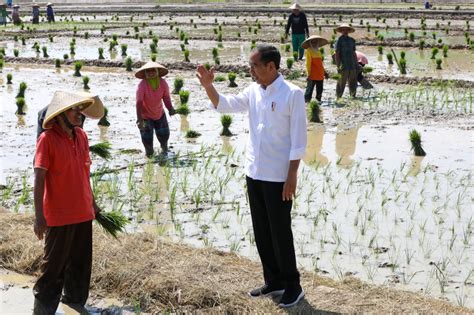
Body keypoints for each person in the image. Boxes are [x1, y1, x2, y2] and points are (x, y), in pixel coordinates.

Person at [196, 44, 307, 308]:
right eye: (251, 65)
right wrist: (208, 86)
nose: (251, 70)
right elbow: (225, 105)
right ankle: (274, 280)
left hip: (278, 175)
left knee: (280, 231)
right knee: (262, 230)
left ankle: (293, 285)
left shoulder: (292, 94)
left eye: (255, 65)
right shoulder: (253, 92)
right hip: (254, 172)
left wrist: (292, 175)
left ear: (271, 66)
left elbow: (299, 139)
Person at [33, 91, 104, 314]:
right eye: (73, 110)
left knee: (81, 264)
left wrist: (92, 202)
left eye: (80, 109)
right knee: (53, 268)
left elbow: (84, 172)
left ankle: (74, 303)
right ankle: (42, 310)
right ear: (60, 114)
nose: (79, 114)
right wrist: (39, 216)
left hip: (83, 212)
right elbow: (39, 178)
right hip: (58, 215)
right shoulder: (47, 139)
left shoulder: (82, 136)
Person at [135, 61, 176, 157]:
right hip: (145, 116)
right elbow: (139, 102)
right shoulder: (142, 85)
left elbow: (166, 97)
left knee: (164, 136)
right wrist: (139, 119)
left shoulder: (163, 83)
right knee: (147, 139)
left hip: (159, 114)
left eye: (153, 70)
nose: (151, 72)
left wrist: (170, 108)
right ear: (145, 73)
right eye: (148, 71)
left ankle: (164, 152)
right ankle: (149, 156)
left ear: (157, 71)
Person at [301, 35, 328, 103]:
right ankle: (306, 102)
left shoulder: (318, 51)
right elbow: (308, 63)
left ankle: (318, 102)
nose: (314, 43)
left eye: (316, 41)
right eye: (312, 41)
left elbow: (320, 64)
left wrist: (325, 72)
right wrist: (308, 73)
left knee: (320, 90)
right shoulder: (309, 51)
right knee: (309, 90)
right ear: (310, 42)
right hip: (312, 74)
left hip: (320, 74)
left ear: (318, 42)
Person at [335, 24, 358, 99]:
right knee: (341, 82)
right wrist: (338, 66)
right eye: (343, 30)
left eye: (346, 29)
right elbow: (337, 53)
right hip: (343, 64)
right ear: (341, 31)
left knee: (353, 81)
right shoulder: (339, 41)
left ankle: (353, 96)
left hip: (352, 64)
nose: (345, 31)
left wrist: (356, 64)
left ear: (348, 31)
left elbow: (354, 53)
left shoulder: (352, 40)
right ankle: (339, 97)